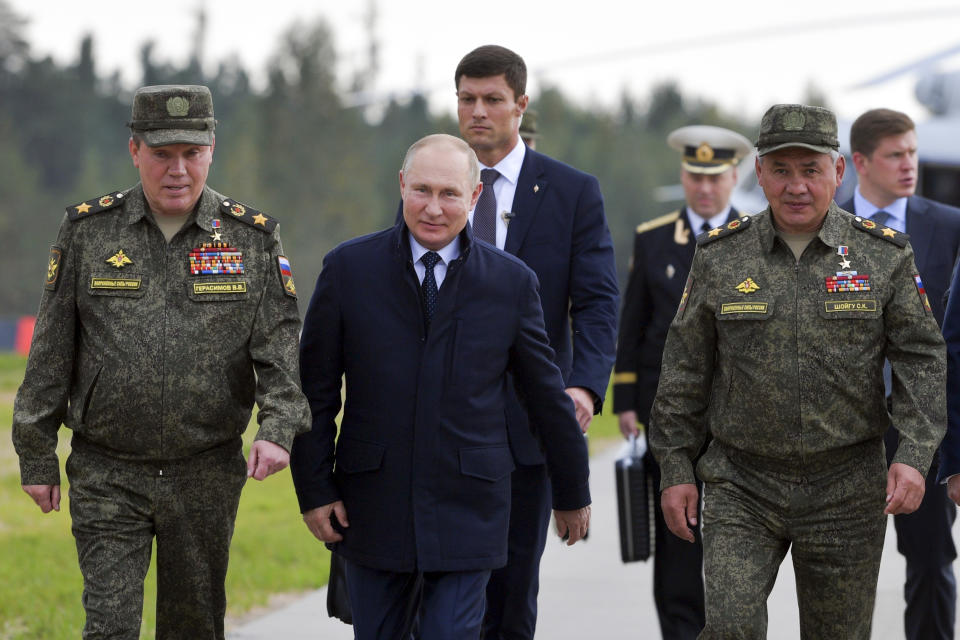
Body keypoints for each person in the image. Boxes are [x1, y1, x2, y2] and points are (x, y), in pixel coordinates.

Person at [11, 84, 310, 639]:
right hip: (107, 470)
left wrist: (279, 427)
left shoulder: (251, 239)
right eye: (162, 153)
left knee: (193, 627)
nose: (178, 170)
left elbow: (278, 350)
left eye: (191, 154)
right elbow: (52, 347)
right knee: (109, 627)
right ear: (134, 150)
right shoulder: (88, 232)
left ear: (211, 149)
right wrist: (35, 453)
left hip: (205, 472)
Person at [649, 103, 946, 639]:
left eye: (810, 170)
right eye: (781, 170)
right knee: (730, 626)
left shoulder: (883, 257)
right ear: (759, 173)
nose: (796, 186)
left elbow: (922, 358)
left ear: (838, 171)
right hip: (741, 484)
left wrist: (915, 455)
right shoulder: (721, 257)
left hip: (847, 489)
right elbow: (684, 370)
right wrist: (675, 468)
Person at [289, 133, 592, 640]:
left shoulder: (511, 283)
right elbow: (315, 392)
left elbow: (544, 395)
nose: (433, 208)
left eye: (449, 194)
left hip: (468, 507)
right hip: (373, 506)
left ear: (475, 198)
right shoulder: (348, 270)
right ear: (402, 186)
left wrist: (571, 489)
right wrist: (315, 489)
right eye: (422, 190)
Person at [451, 44, 619, 639]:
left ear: (520, 105)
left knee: (512, 593)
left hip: (529, 423)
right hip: (442, 425)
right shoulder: (435, 183)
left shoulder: (572, 192)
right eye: (467, 99)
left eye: (492, 99)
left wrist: (584, 387)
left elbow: (598, 302)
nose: (478, 112)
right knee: (439, 593)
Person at [613, 124, 751, 639]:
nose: (706, 187)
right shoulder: (653, 240)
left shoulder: (757, 238)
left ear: (734, 177)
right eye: (696, 176)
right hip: (664, 412)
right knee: (674, 537)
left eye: (716, 177)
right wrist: (624, 397)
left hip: (737, 415)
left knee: (733, 539)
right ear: (684, 177)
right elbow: (634, 324)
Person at [838, 107, 960, 640]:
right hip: (846, 430)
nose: (909, 164)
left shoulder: (949, 225)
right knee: (838, 572)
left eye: (912, 152)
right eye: (895, 155)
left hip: (923, 428)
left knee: (932, 564)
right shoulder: (827, 225)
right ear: (860, 162)